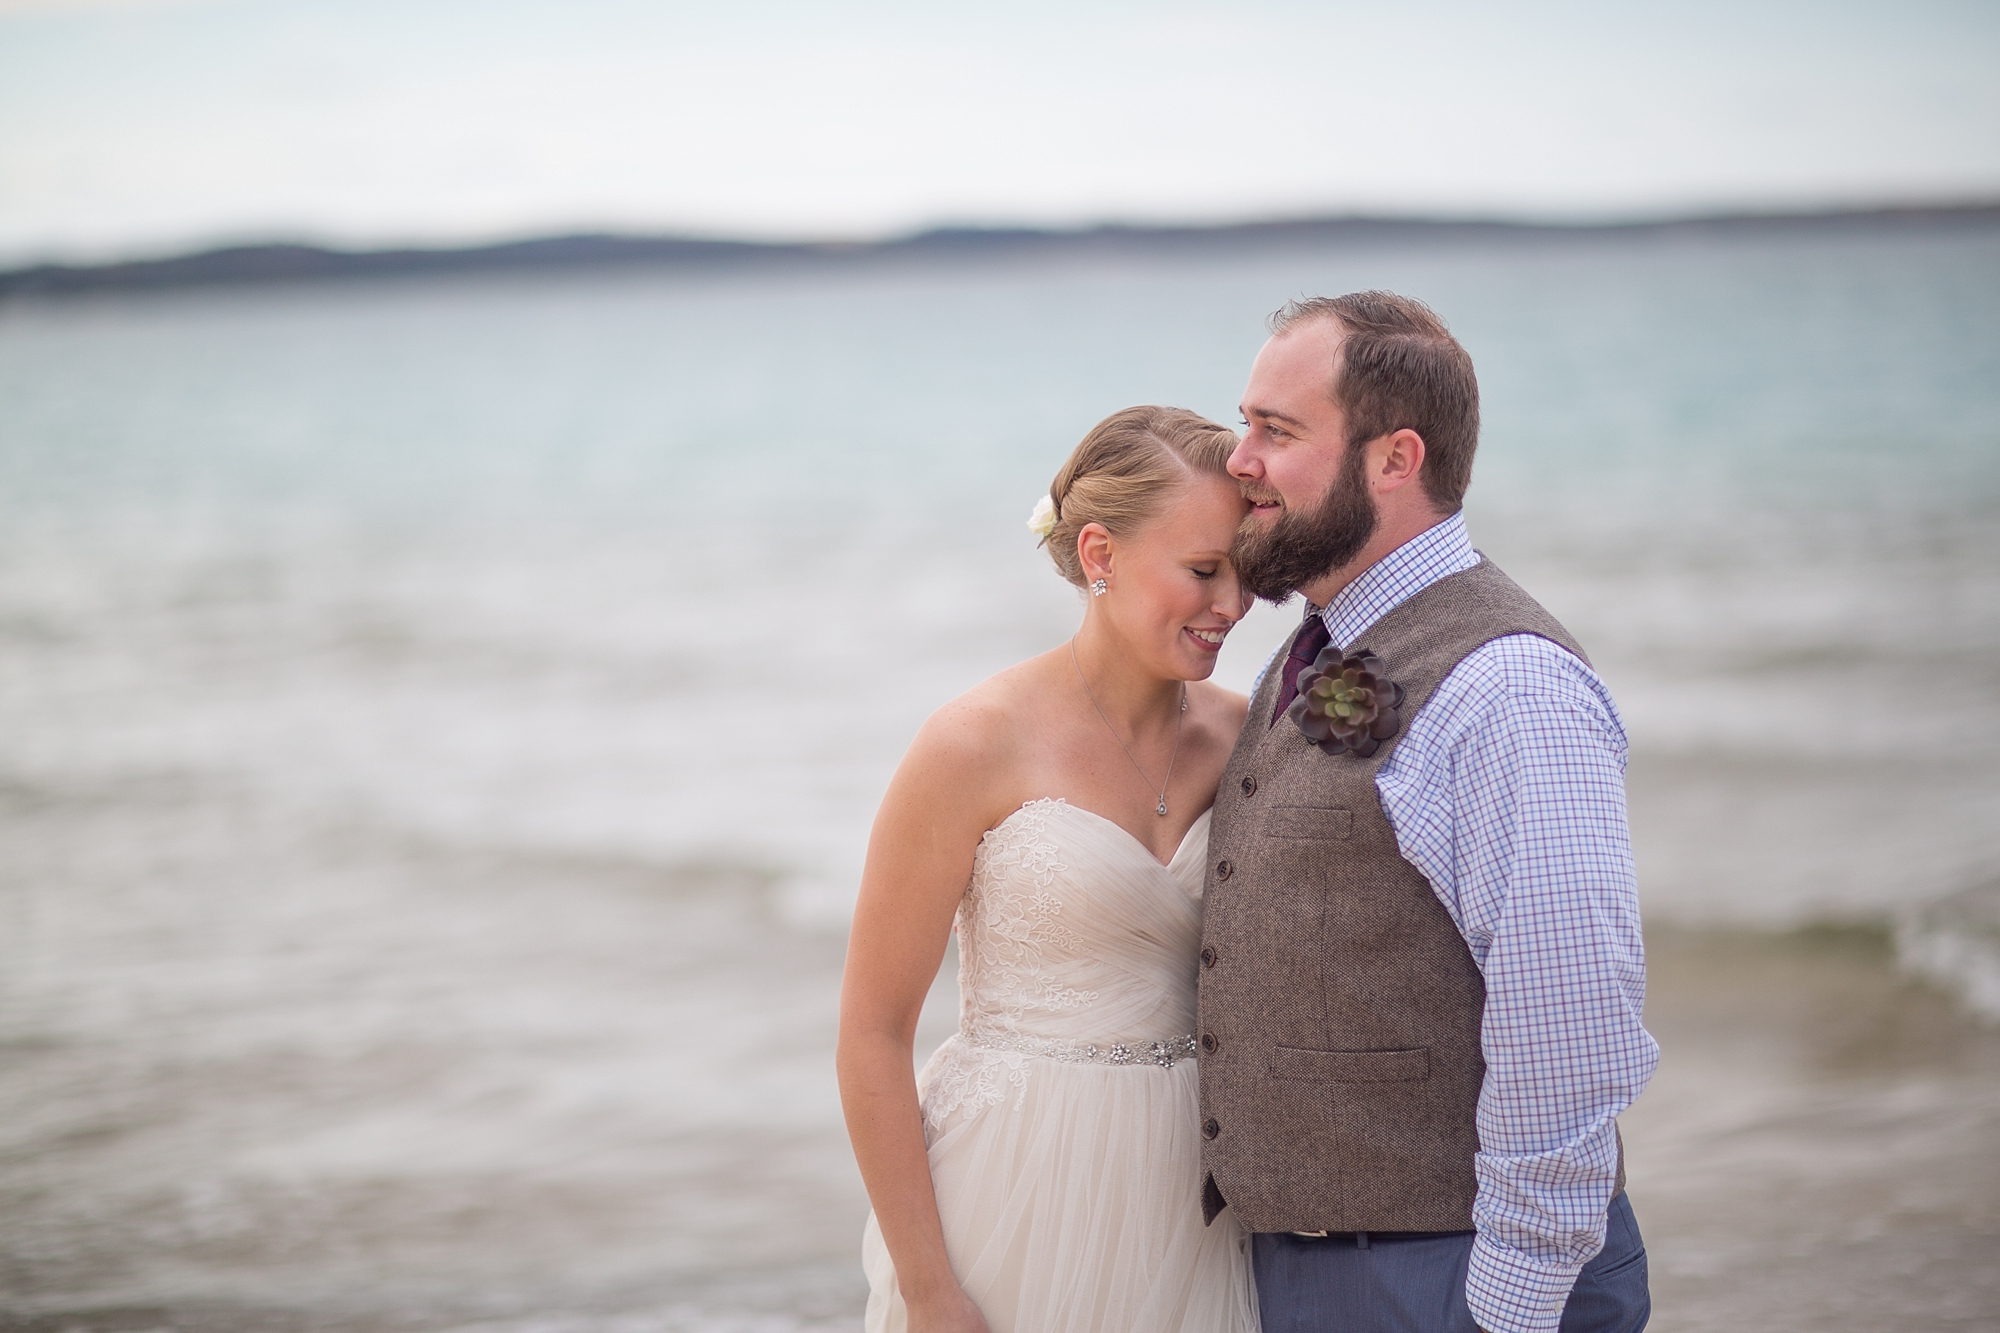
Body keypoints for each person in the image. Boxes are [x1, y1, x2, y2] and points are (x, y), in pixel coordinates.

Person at [1197, 292, 1659, 1333]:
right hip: (1315, 1274)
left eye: (1276, 430)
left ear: (1392, 458)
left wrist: (1504, 1308)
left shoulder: (1509, 687)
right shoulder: (1316, 641)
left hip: (1452, 1282)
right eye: (1245, 422)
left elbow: (1569, 1021)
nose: (1239, 458)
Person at [838, 405, 1262, 1333]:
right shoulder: (973, 744)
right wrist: (928, 1288)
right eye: (1202, 571)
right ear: (1101, 555)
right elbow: (872, 1033)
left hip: (1194, 1212)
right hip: (1011, 1192)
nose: (1231, 605)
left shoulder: (1250, 737)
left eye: (1245, 573)